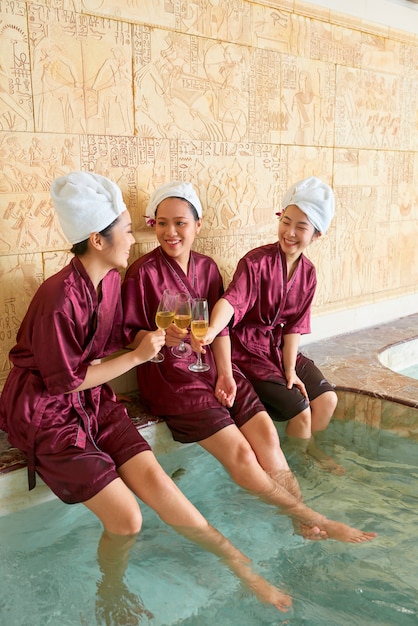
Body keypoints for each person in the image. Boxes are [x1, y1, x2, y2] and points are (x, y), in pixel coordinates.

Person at [0, 171, 293, 620]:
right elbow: (64, 382)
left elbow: (119, 342)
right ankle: (111, 590)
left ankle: (238, 563)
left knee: (156, 478)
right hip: (45, 409)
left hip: (93, 398)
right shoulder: (58, 297)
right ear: (97, 239)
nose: (136, 239)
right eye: (126, 229)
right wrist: (138, 356)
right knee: (128, 519)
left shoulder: (112, 282)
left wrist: (158, 338)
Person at [122, 180, 377, 544]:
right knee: (241, 451)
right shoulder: (142, 272)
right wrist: (155, 337)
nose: (170, 232)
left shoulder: (208, 269)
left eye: (180, 222)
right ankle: (313, 518)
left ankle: (302, 521)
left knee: (267, 435)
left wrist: (226, 373)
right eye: (162, 223)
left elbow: (222, 329)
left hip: (215, 365)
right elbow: (128, 335)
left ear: (198, 225)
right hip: (170, 377)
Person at [199, 176, 343, 473]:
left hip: (277, 347)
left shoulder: (308, 274)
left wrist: (290, 370)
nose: (289, 233)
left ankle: (307, 449)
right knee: (300, 411)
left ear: (317, 234)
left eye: (301, 227)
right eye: (285, 221)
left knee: (328, 400)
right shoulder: (255, 262)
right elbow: (231, 301)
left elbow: (294, 326)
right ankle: (300, 465)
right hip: (247, 350)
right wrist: (212, 330)